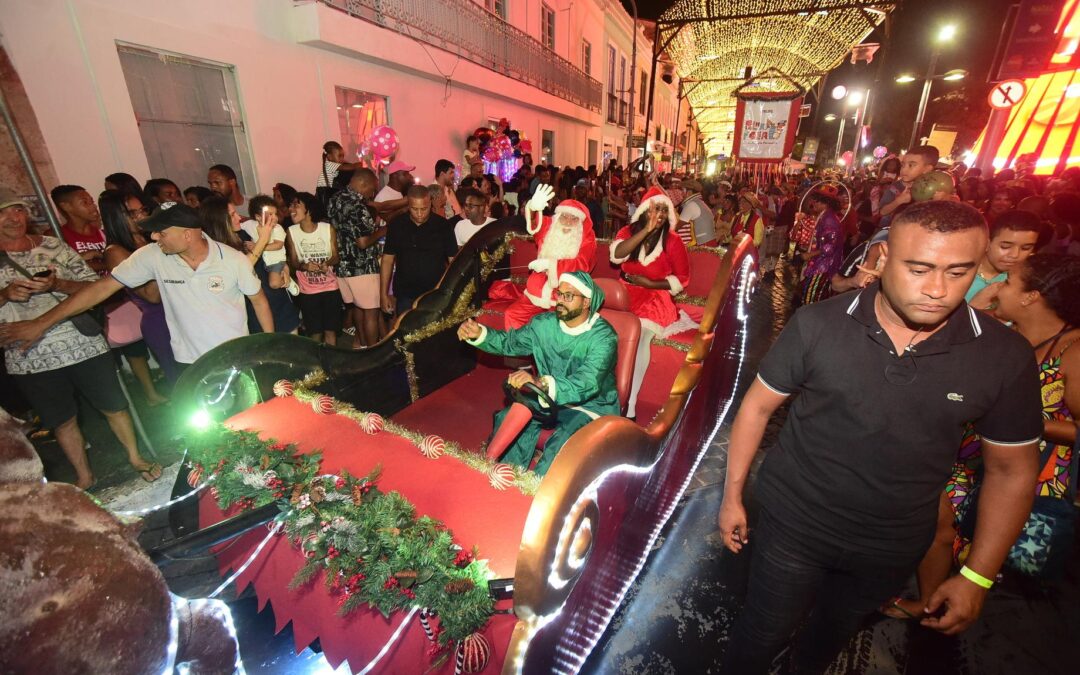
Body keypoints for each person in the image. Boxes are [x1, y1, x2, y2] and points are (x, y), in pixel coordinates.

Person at [719, 200, 1043, 674]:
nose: (937, 290)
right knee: (761, 633)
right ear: (883, 257)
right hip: (794, 523)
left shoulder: (1003, 357)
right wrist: (732, 497)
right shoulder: (818, 325)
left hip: (891, 543)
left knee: (828, 636)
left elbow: (1012, 471)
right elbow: (756, 407)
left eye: (958, 272)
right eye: (919, 268)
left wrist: (977, 576)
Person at [885, 252, 1080, 620]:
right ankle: (931, 604)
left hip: (1025, 471)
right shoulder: (1006, 334)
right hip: (973, 458)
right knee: (938, 524)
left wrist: (1020, 424)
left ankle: (961, 596)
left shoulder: (1073, 351)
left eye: (1007, 282)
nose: (995, 286)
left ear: (1030, 296)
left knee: (979, 540)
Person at [0, 188, 160, 488]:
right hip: (29, 356)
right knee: (61, 419)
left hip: (82, 344)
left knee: (114, 404)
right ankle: (85, 475)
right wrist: (5, 294)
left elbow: (93, 287)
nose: (14, 218)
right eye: (4, 212)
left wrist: (56, 284)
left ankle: (135, 457)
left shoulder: (52, 246)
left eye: (18, 210)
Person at [457, 271, 619, 475]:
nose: (560, 300)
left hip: (590, 405)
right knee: (508, 418)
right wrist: (480, 333)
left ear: (586, 302)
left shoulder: (604, 337)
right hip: (547, 398)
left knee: (563, 442)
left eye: (568, 296)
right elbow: (510, 343)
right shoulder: (543, 324)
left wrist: (541, 382)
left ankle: (536, 492)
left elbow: (588, 382)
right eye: (559, 294)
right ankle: (504, 476)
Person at [611, 186, 691, 419]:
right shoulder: (628, 231)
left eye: (665, 210)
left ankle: (631, 404)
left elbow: (683, 279)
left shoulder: (673, 240)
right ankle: (607, 396)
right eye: (656, 209)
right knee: (610, 335)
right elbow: (616, 256)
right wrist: (645, 230)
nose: (660, 214)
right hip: (625, 293)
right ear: (645, 210)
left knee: (642, 336)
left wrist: (650, 283)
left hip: (654, 298)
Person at [98, 190, 175, 397]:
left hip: (180, 312)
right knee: (181, 379)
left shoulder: (147, 240)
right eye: (133, 214)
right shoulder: (116, 251)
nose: (142, 217)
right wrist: (162, 251)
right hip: (160, 321)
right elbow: (152, 295)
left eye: (142, 210)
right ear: (117, 218)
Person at [200, 196, 299, 336]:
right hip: (254, 314)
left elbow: (271, 256)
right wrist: (263, 240)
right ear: (219, 221)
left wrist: (284, 266)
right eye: (232, 215)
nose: (239, 217)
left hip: (278, 304)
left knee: (294, 353)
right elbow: (241, 269)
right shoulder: (215, 250)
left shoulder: (244, 233)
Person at [502, 184, 596, 329]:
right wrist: (533, 208)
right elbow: (534, 224)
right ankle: (520, 350)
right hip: (536, 290)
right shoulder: (549, 227)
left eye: (574, 219)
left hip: (566, 295)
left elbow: (582, 265)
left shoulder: (586, 238)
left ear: (580, 223)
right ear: (557, 217)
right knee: (513, 314)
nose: (568, 222)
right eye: (564, 216)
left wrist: (550, 265)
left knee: (553, 329)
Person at [380, 184, 456, 316]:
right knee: (407, 334)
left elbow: (453, 260)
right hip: (405, 293)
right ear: (408, 205)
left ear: (430, 203)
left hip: (435, 293)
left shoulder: (442, 225)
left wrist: (454, 292)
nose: (420, 214)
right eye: (414, 209)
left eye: (424, 209)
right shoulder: (397, 225)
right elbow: (387, 260)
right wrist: (383, 294)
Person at [329, 168, 384, 348]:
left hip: (343, 267)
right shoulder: (357, 206)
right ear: (363, 184)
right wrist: (385, 229)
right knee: (371, 312)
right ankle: (373, 353)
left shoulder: (334, 199)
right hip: (362, 266)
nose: (372, 194)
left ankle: (360, 345)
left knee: (358, 307)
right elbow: (363, 242)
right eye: (372, 189)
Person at [287, 192, 342, 345]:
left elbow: (336, 256)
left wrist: (327, 263)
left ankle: (331, 364)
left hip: (330, 289)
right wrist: (305, 266)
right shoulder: (292, 232)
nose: (291, 209)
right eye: (290, 205)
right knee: (315, 333)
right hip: (308, 292)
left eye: (296, 205)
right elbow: (293, 262)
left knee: (330, 331)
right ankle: (317, 366)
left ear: (308, 209)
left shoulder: (327, 228)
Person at [965, 209, 1042, 309]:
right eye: (1005, 246)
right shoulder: (960, 272)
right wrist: (973, 308)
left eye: (1025, 248)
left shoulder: (1026, 281)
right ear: (987, 242)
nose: (1015, 255)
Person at [798, 187, 844, 305]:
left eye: (817, 201)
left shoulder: (829, 220)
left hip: (823, 265)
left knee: (811, 297)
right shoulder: (824, 216)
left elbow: (829, 247)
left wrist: (810, 254)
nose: (814, 204)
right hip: (820, 262)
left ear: (826, 203)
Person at [877, 145, 939, 228]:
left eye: (911, 165)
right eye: (903, 165)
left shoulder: (935, 189)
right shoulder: (895, 188)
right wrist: (899, 201)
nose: (903, 170)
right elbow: (882, 212)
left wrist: (941, 200)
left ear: (927, 169)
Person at [240, 194, 291, 292]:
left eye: (275, 214)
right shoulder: (250, 225)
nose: (275, 217)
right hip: (264, 263)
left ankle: (287, 280)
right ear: (258, 217)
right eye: (271, 214)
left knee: (274, 284)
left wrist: (258, 246)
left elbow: (278, 245)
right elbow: (238, 225)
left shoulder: (277, 228)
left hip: (276, 261)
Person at [51, 185, 106, 275]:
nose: (94, 206)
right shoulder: (56, 235)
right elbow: (60, 268)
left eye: (92, 201)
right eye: (85, 202)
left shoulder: (102, 234)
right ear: (66, 207)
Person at [677, 180, 715, 246]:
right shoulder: (698, 202)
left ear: (689, 192)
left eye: (683, 191)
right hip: (709, 240)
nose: (681, 193)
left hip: (703, 243)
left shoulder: (691, 205)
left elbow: (676, 226)